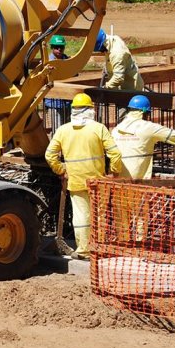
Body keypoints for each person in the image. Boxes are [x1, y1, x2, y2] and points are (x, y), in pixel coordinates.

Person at [45, 92, 122, 260]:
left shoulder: (63, 130)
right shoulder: (98, 128)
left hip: (75, 180)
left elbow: (50, 155)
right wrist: (114, 172)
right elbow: (115, 154)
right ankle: (99, 249)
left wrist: (61, 170)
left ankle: (84, 251)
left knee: (81, 217)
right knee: (99, 215)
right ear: (90, 110)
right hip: (98, 181)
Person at [111, 95, 175, 241]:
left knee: (121, 213)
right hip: (138, 181)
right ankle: (139, 244)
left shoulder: (117, 129)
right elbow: (173, 136)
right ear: (144, 112)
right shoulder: (147, 127)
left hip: (118, 179)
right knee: (141, 214)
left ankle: (123, 245)